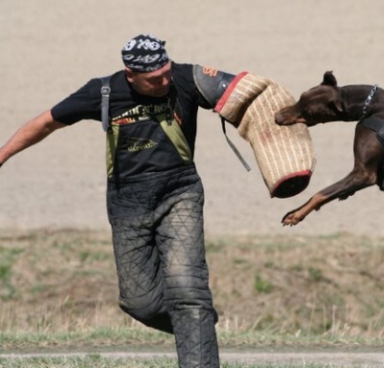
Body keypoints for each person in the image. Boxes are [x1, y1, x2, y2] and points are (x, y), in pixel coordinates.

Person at [0, 34, 236, 368]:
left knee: (187, 290)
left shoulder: (185, 77)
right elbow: (46, 122)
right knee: (139, 303)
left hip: (179, 192)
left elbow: (240, 91)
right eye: (154, 79)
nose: (165, 81)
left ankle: (195, 331)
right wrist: (3, 155)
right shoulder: (103, 92)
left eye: (166, 72)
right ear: (130, 74)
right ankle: (196, 324)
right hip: (128, 202)